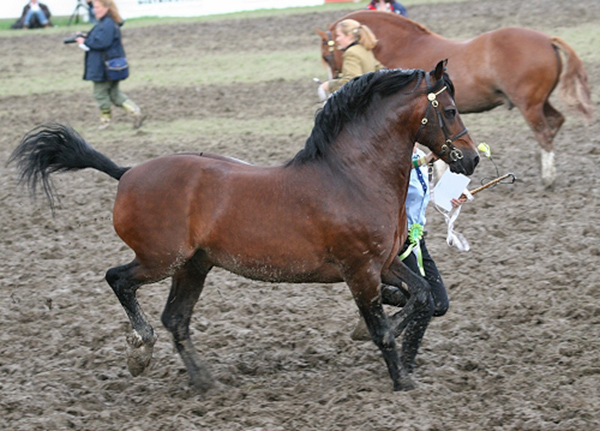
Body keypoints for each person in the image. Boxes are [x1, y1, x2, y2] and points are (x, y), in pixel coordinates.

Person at [351, 143, 467, 370]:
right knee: (424, 302)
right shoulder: (392, 157)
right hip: (397, 242)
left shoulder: (420, 156)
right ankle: (405, 365)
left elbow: (424, 194)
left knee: (440, 304)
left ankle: (380, 295)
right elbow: (402, 170)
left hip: (417, 239)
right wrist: (425, 161)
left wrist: (451, 197)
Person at [72, 0, 144, 130]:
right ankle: (135, 112)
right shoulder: (108, 22)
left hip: (104, 67)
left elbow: (102, 43)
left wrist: (85, 41)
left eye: (98, 7)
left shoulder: (107, 23)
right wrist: (87, 37)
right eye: (94, 7)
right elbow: (101, 39)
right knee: (114, 94)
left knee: (100, 93)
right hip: (112, 66)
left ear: (107, 8)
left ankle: (105, 122)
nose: (95, 10)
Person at [318, 19, 384, 95]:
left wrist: (329, 85)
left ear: (349, 36)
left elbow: (352, 81)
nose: (337, 39)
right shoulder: (364, 49)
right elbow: (379, 69)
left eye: (339, 35)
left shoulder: (351, 53)